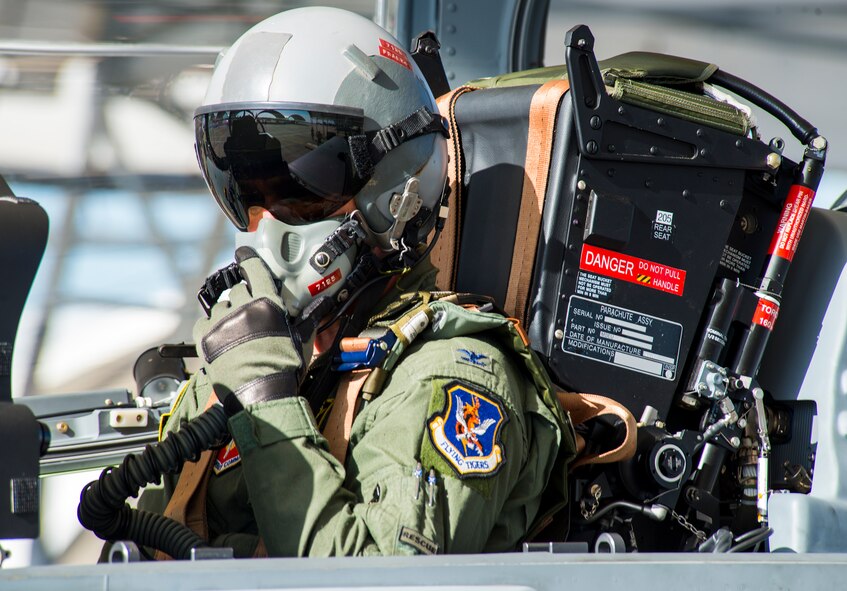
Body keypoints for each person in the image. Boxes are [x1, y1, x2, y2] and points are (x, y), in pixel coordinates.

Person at [136, 6, 575, 558]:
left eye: (301, 187)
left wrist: (264, 400)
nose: (268, 223)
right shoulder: (249, 363)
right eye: (248, 191)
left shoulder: (451, 379)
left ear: (397, 195)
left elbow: (374, 575)